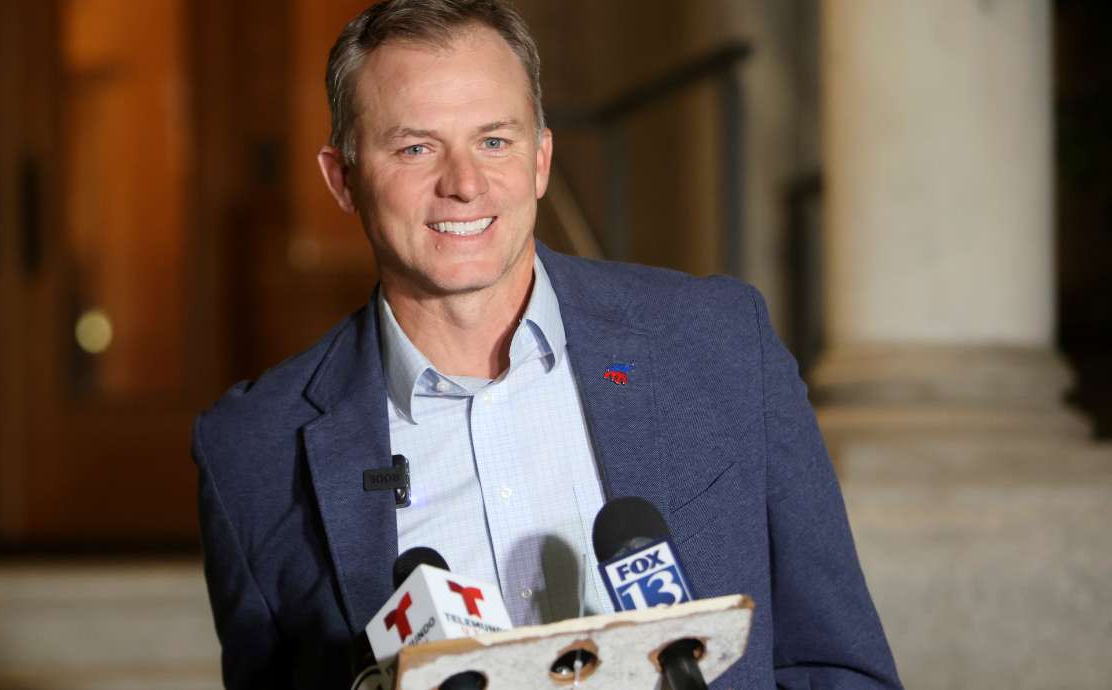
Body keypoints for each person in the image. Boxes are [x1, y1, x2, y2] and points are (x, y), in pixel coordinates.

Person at [193, 1, 902, 688]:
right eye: (415, 148)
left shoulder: (716, 342)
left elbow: (836, 666)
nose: (464, 184)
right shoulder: (254, 450)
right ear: (344, 179)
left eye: (494, 141)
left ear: (540, 159)